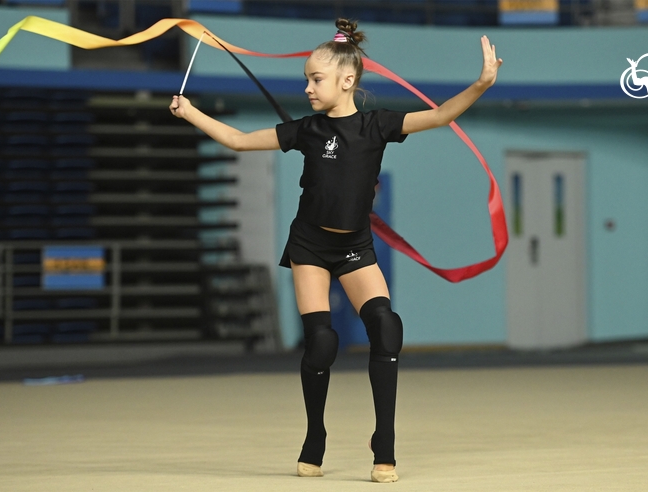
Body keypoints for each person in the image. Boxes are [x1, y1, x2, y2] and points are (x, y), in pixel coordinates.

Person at [169, 18, 502, 483]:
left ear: (347, 81)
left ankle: (383, 441)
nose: (307, 86)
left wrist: (482, 83)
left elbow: (442, 115)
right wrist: (190, 113)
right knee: (322, 341)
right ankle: (315, 437)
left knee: (386, 328)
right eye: (306, 78)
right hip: (310, 244)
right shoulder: (306, 130)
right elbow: (240, 141)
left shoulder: (376, 126)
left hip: (354, 247)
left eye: (316, 78)